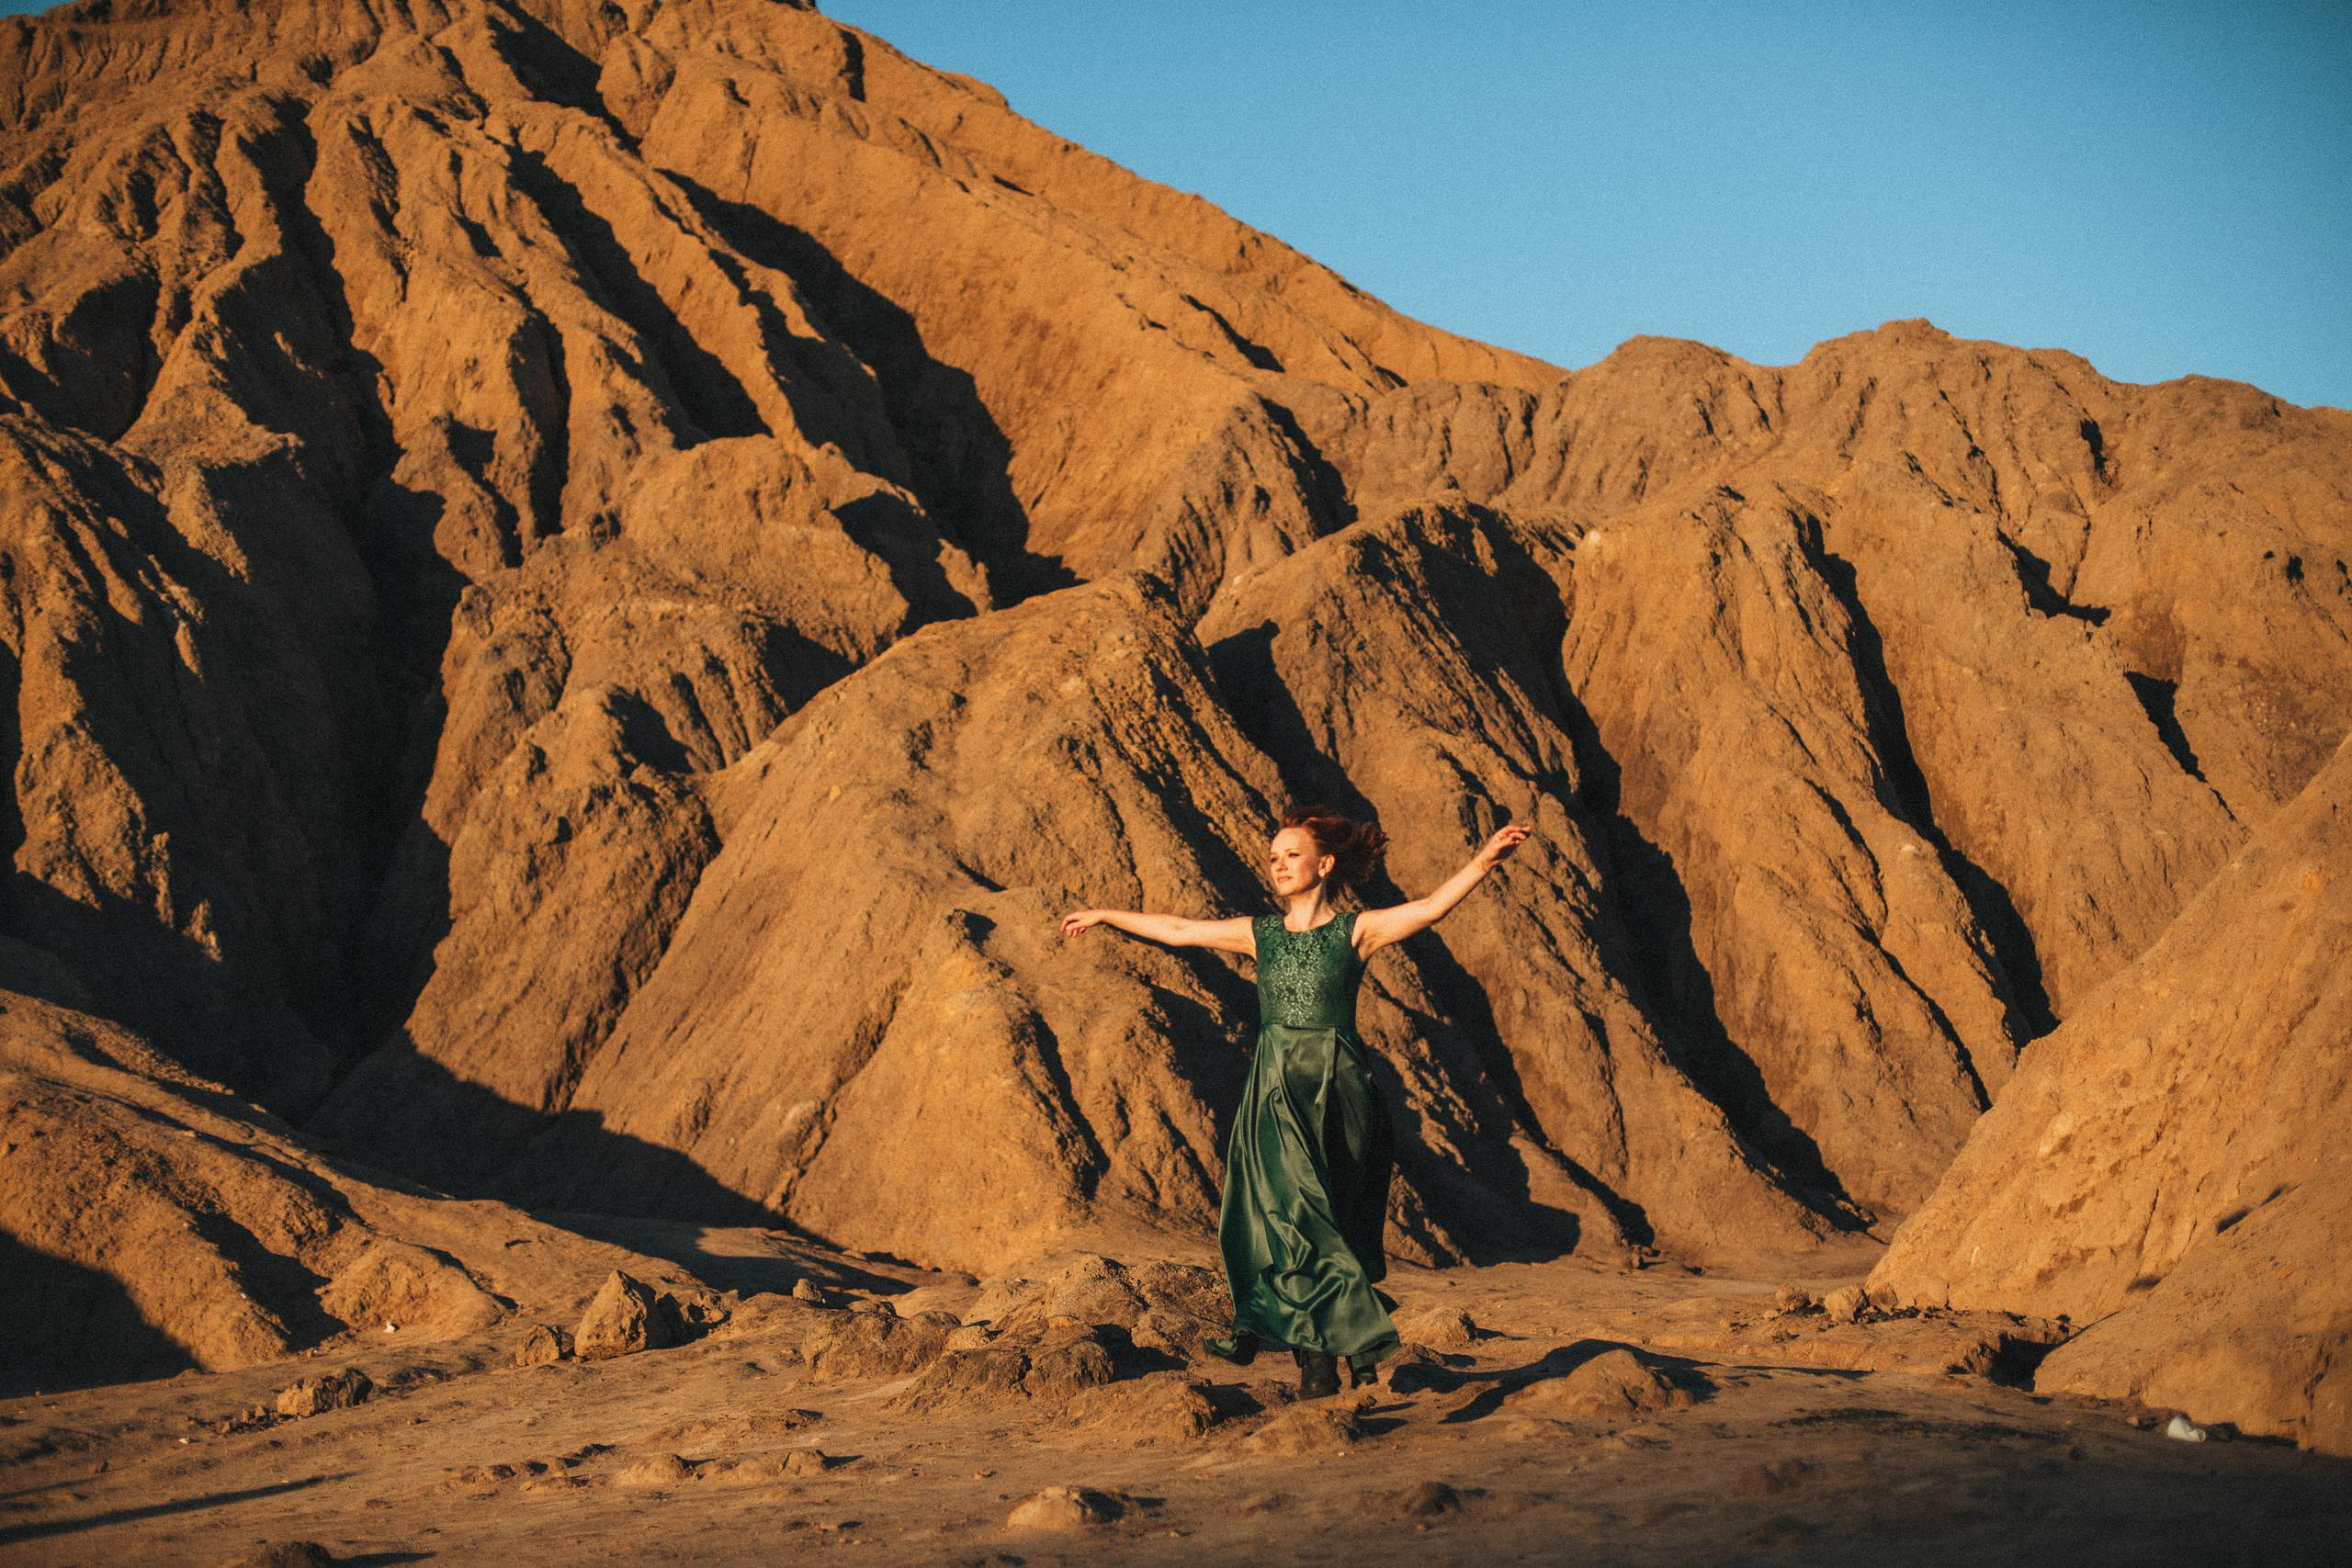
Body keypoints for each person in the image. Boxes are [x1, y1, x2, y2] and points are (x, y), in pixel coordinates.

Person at [1059, 805, 1532, 1399]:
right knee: (1290, 1218)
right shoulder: (1261, 933)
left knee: (1327, 1220)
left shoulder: (1356, 931)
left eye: (1292, 855)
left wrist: (1487, 858)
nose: (1280, 865)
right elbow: (1180, 930)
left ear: (1325, 863)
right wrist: (1105, 914)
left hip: (1339, 1089)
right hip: (1277, 1089)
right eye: (1274, 857)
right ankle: (1314, 1364)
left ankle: (1330, 1347)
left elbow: (1432, 906)